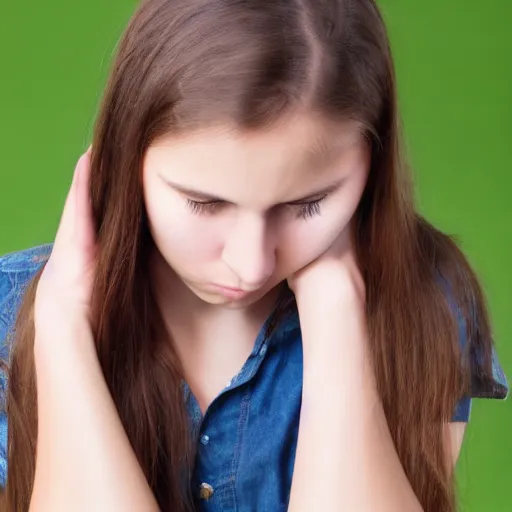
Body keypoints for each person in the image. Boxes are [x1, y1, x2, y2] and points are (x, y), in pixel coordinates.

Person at [0, 0, 508, 510]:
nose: (252, 265)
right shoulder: (8, 311)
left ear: (372, 170)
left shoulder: (426, 301)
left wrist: (336, 313)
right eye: (204, 203)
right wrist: (61, 328)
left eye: (309, 203)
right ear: (122, 158)